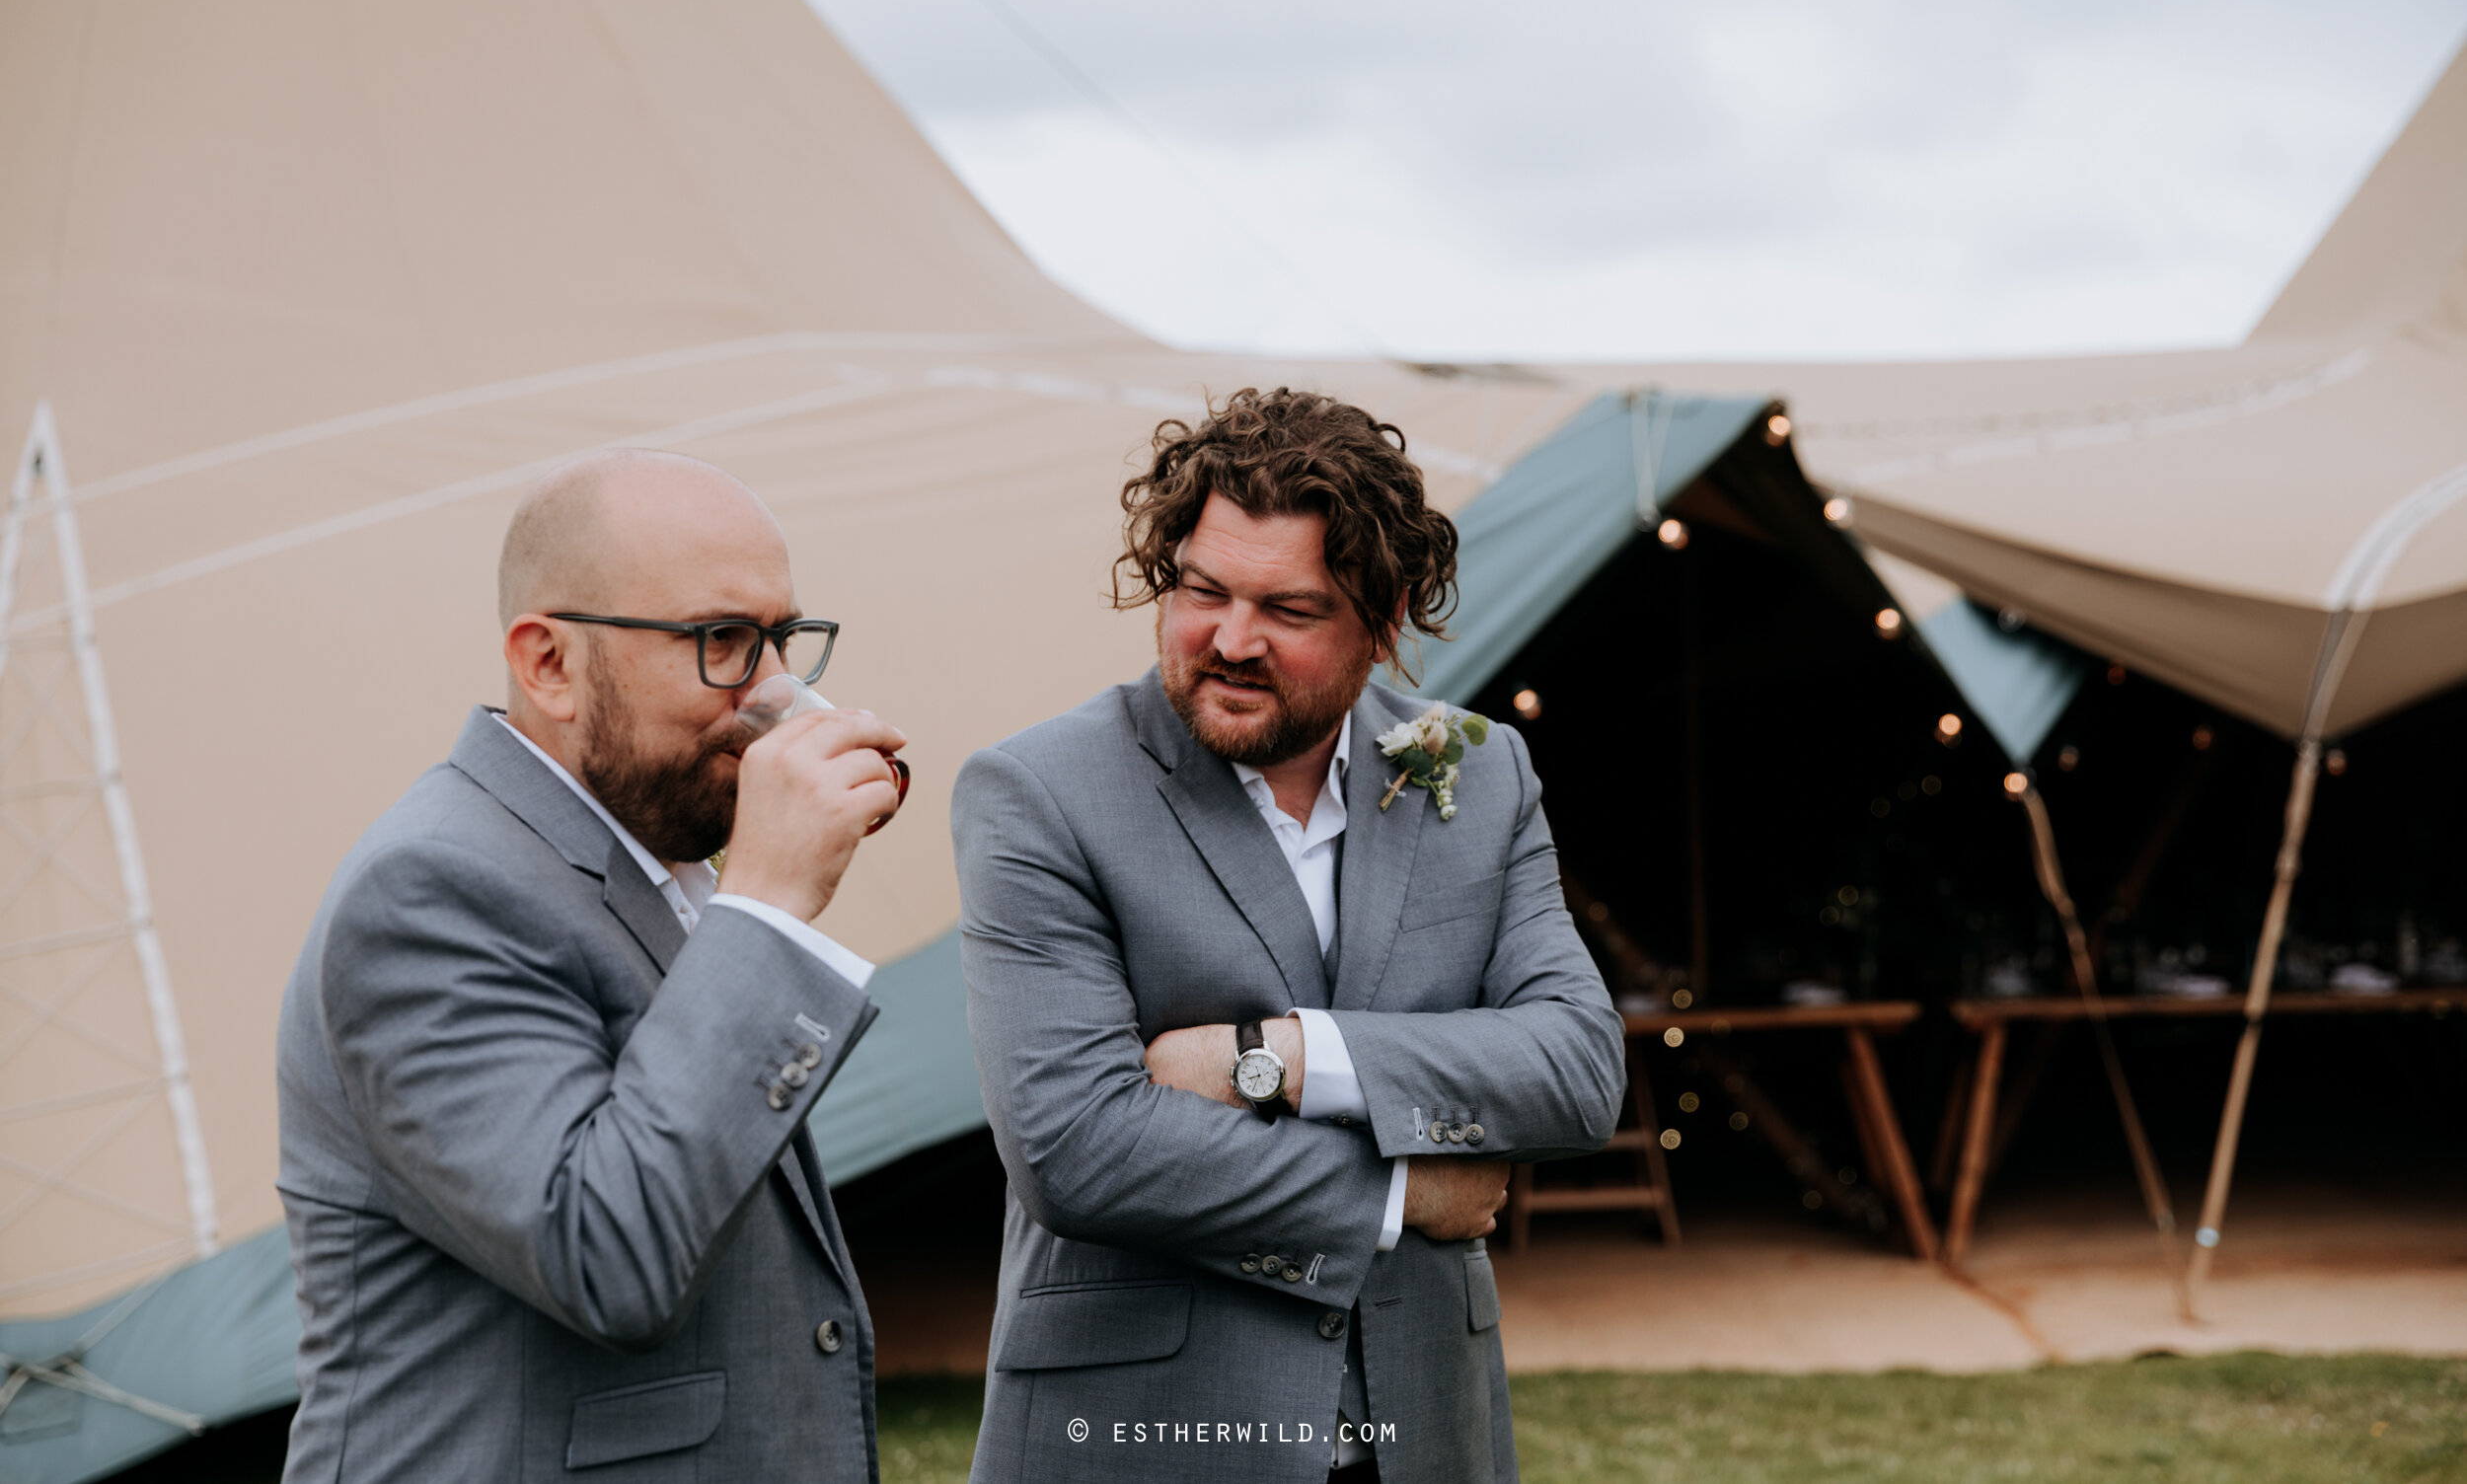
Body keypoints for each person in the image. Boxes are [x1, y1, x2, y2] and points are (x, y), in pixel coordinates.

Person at [953, 388, 1626, 1483]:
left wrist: (1277, 1058)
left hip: (1419, 1424)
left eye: (1290, 609)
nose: (1230, 639)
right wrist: (1407, 1193)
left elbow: (1578, 1068)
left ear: (1385, 619)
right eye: (1201, 590)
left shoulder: (1476, 766)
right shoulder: (1038, 791)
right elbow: (1075, 1147)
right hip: (1150, 1426)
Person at [275, 451, 908, 1482]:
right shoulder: (430, 889)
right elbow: (607, 1253)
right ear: (549, 664)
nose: (776, 694)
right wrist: (768, 907)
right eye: (722, 641)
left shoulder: (655, 863)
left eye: (783, 638)